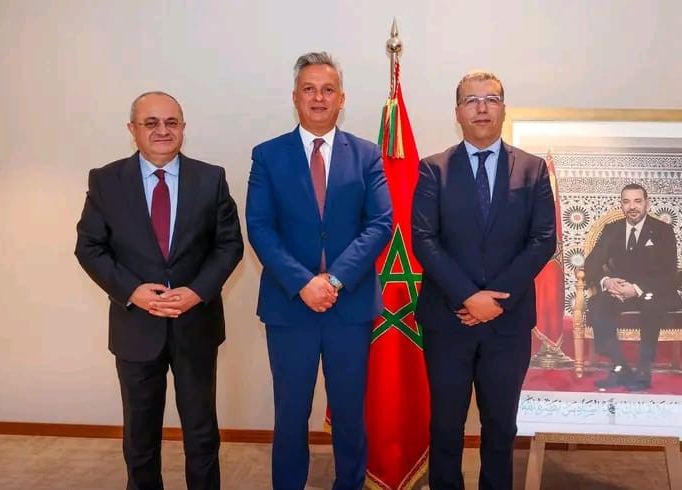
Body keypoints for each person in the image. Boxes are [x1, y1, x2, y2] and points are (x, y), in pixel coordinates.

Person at [75, 91, 243, 490]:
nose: (162, 131)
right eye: (151, 123)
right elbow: (89, 247)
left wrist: (197, 292)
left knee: (201, 433)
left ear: (183, 128)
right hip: (135, 327)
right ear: (132, 130)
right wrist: (132, 291)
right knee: (140, 435)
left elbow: (229, 245)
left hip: (195, 325)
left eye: (171, 122)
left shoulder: (211, 178)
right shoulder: (106, 180)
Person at [246, 52, 392, 490]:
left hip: (350, 307)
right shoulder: (268, 155)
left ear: (341, 99)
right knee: (291, 414)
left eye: (328, 90)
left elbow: (380, 223)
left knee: (349, 413)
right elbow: (260, 227)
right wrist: (304, 283)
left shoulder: (366, 154)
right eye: (309, 89)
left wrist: (334, 279)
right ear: (295, 97)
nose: (318, 97)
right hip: (290, 307)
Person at [412, 71, 556, 490]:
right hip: (447, 320)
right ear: (457, 112)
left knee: (500, 428)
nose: (481, 107)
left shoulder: (531, 169)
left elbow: (543, 239)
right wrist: (467, 296)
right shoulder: (434, 169)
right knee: (446, 427)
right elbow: (424, 239)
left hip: (507, 325)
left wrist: (496, 301)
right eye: (471, 100)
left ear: (503, 109)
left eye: (490, 99)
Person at [586, 183, 681, 391]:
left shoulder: (663, 230)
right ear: (621, 205)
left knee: (650, 304)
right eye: (626, 202)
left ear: (647, 203)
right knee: (597, 302)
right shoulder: (612, 229)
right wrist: (607, 282)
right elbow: (591, 263)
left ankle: (643, 370)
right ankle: (620, 366)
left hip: (654, 292)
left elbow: (668, 273)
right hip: (620, 291)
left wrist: (636, 289)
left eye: (637, 201)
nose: (632, 207)